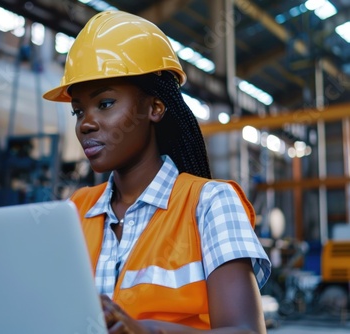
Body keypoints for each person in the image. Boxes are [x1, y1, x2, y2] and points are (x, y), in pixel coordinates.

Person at [43, 10, 271, 334]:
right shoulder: (76, 211)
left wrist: (143, 330)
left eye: (105, 103)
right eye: (78, 110)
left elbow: (246, 330)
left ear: (155, 108)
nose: (86, 124)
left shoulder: (210, 204)